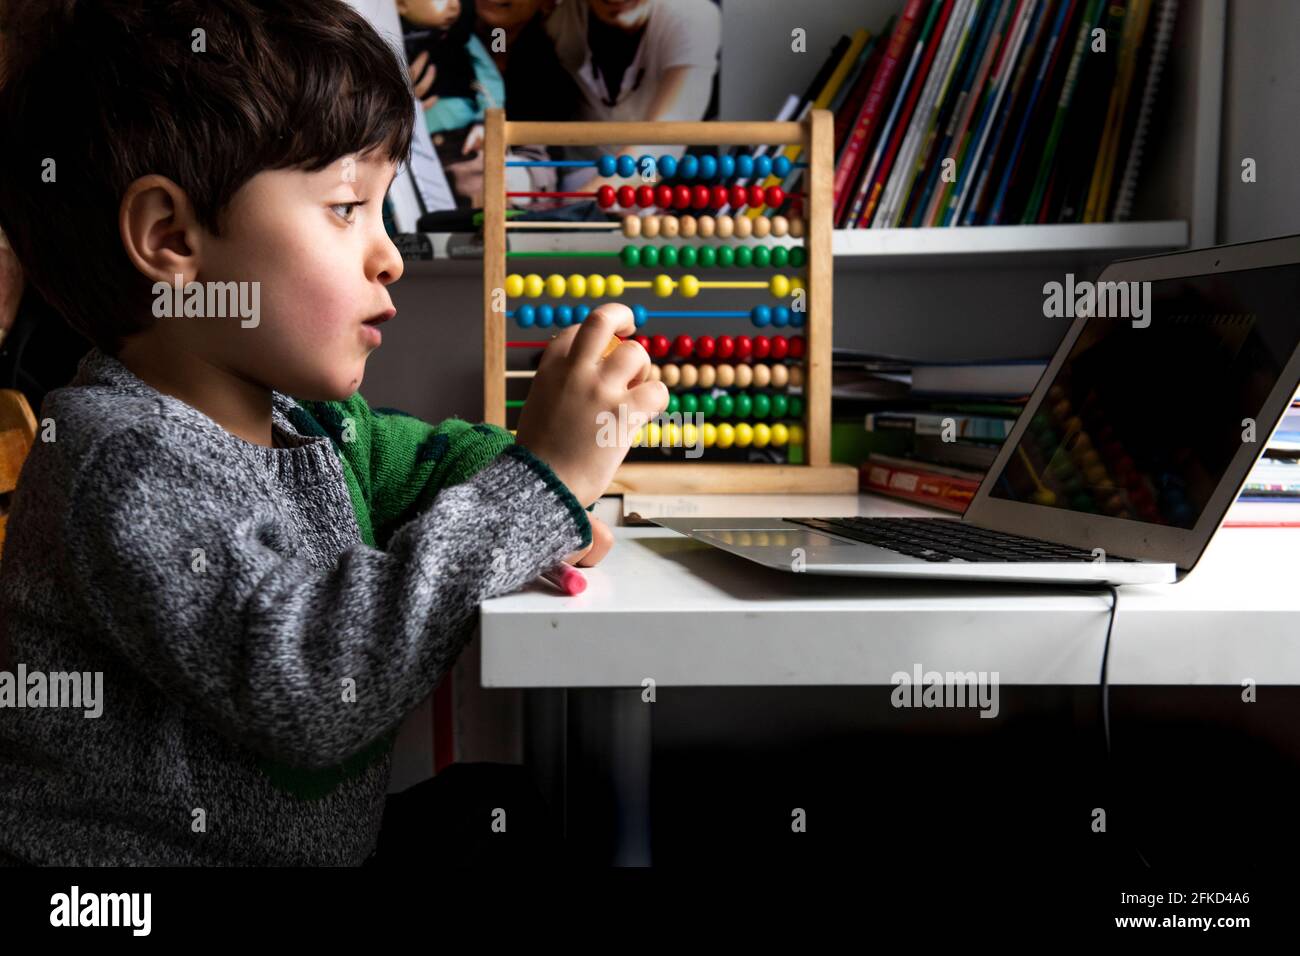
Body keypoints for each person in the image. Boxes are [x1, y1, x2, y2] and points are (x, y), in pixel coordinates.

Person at [0, 0, 666, 866]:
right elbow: (311, 684)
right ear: (171, 238)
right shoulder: (123, 463)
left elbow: (426, 461)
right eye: (349, 207)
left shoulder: (303, 422)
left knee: (514, 809)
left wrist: (539, 492)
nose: (387, 254)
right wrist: (541, 485)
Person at [545, 0, 721, 191]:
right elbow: (505, 33)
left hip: (649, 184)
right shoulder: (556, 15)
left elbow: (662, 148)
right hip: (571, 177)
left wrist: (579, 209)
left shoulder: (693, 18)